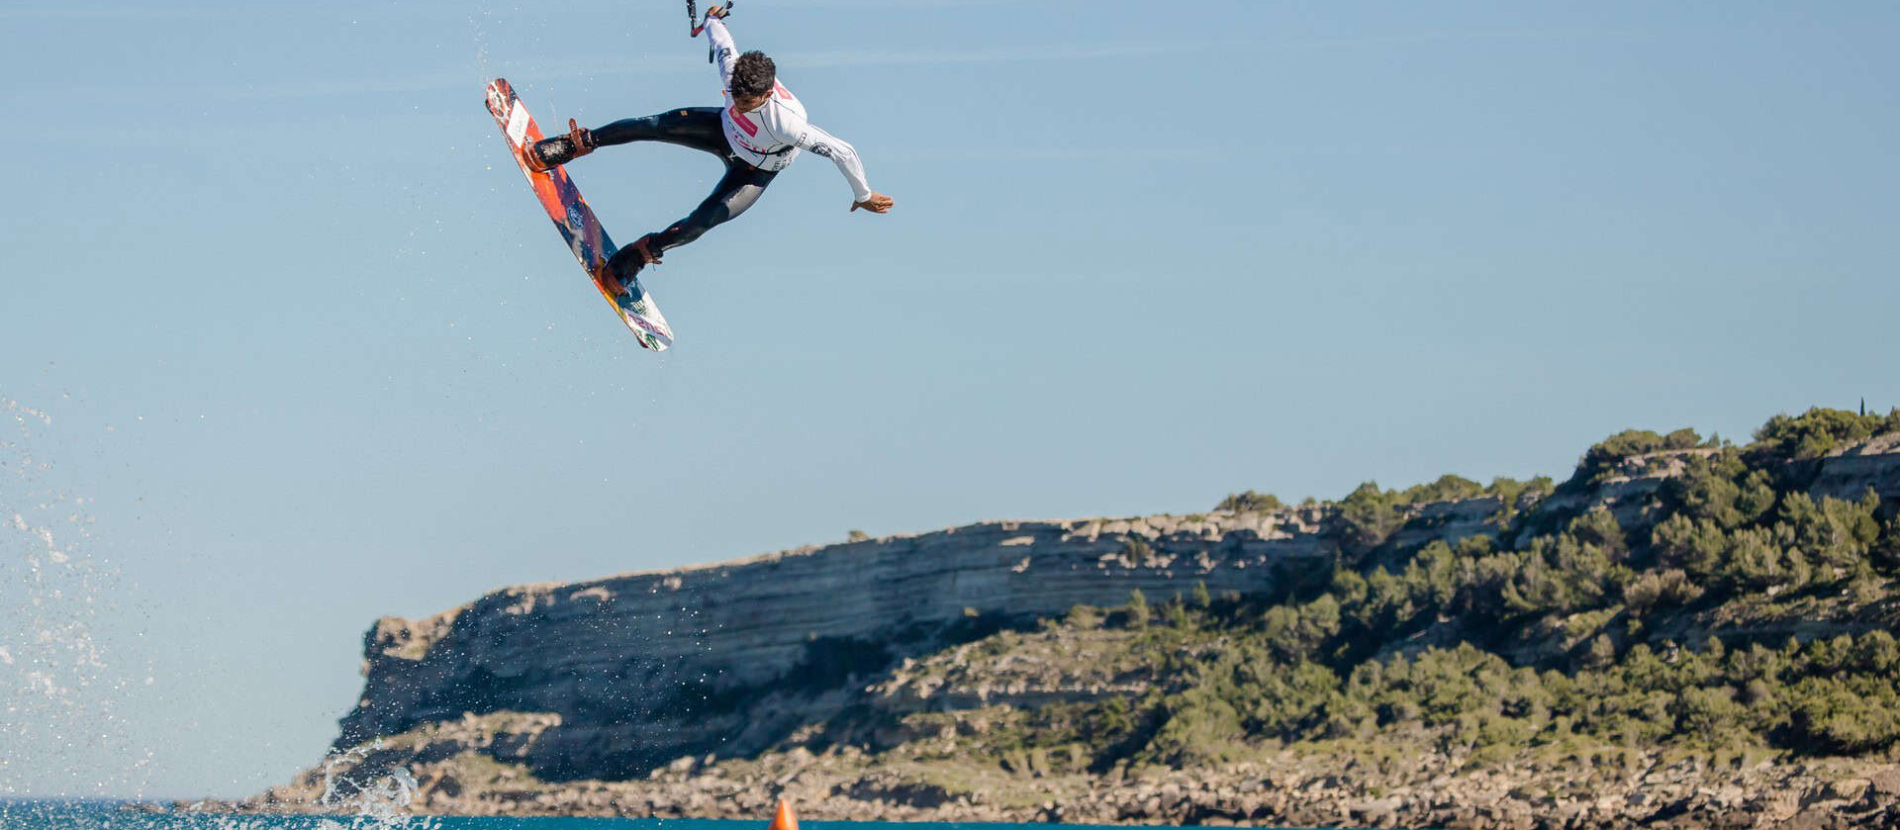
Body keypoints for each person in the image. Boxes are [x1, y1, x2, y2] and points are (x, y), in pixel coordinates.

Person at [525, 5, 894, 292]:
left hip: (753, 172)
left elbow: (842, 151)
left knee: (700, 223)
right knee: (653, 125)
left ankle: (641, 252)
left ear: (766, 94)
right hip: (722, 132)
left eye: (747, 101)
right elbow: (718, 37)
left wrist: (862, 193)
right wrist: (710, 17)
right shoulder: (732, 71)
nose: (738, 101)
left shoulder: (788, 123)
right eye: (735, 94)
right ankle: (577, 144)